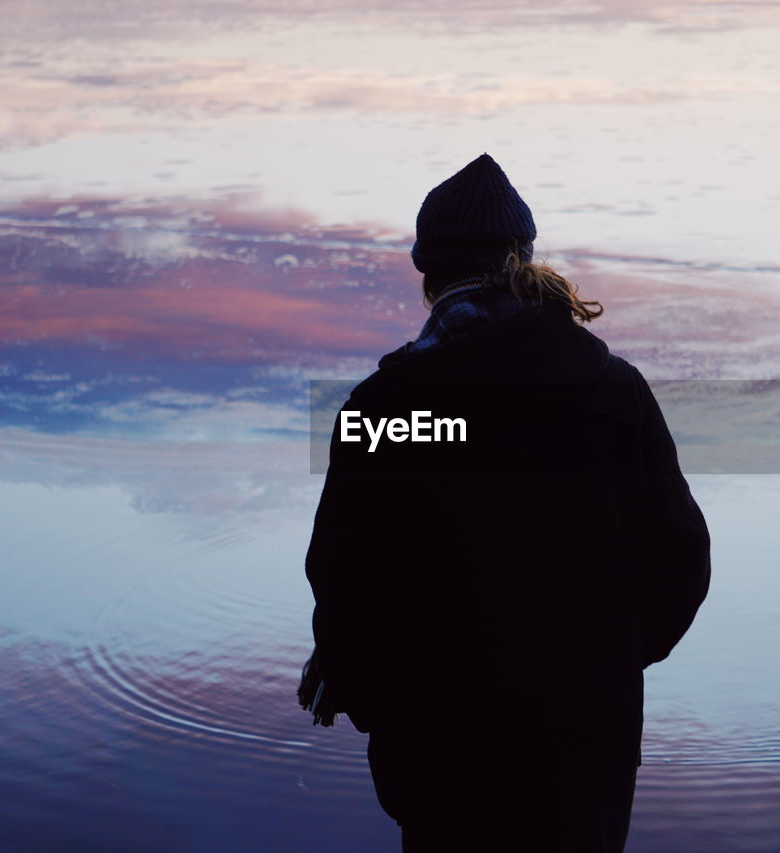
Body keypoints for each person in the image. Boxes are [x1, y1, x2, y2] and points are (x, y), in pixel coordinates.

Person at [304, 153, 710, 852]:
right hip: (587, 750)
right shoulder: (614, 393)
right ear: (522, 259)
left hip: (436, 752)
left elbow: (343, 580)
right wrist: (607, 663)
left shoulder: (390, 409)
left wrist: (374, 699)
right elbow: (680, 563)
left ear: (428, 273)